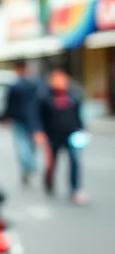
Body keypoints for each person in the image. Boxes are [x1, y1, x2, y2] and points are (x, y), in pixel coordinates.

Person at [35, 66, 87, 205]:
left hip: (71, 134)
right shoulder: (45, 97)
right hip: (52, 135)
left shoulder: (73, 95)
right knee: (52, 163)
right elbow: (39, 116)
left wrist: (83, 129)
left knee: (75, 161)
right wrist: (39, 132)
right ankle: (49, 183)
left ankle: (75, 189)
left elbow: (78, 116)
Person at [3, 59, 42, 186]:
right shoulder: (35, 84)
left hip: (19, 119)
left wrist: (6, 117)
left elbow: (9, 104)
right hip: (33, 120)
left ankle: (28, 165)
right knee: (31, 146)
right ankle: (29, 166)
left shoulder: (15, 86)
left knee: (22, 145)